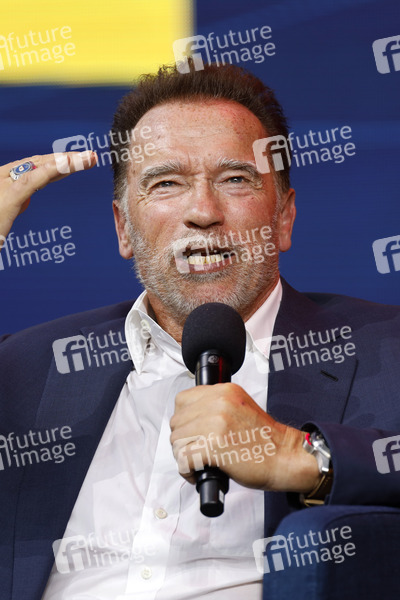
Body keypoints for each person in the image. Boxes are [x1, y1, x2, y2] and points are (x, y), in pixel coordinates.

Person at [0, 61, 399, 600]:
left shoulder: (385, 348)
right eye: (166, 183)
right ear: (123, 228)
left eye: (235, 179)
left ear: (283, 217)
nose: (203, 212)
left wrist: (298, 455)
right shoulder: (25, 368)